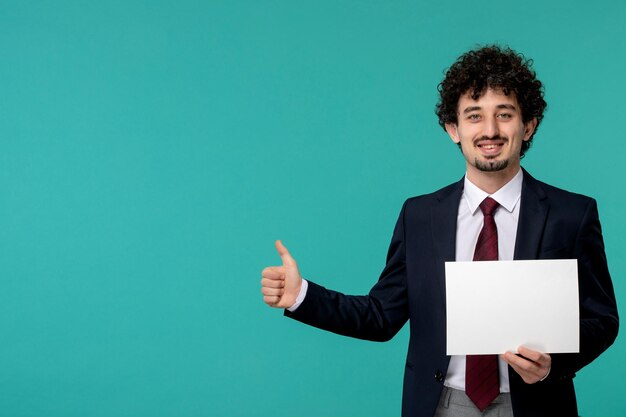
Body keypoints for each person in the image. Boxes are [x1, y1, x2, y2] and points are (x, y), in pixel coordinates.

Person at [260, 45, 618, 417]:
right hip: (440, 404)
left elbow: (602, 320)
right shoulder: (419, 216)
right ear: (453, 129)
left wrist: (553, 364)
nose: (490, 130)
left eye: (505, 114)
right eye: (474, 116)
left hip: (536, 403)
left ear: (528, 125)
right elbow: (382, 315)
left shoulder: (571, 215)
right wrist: (301, 295)